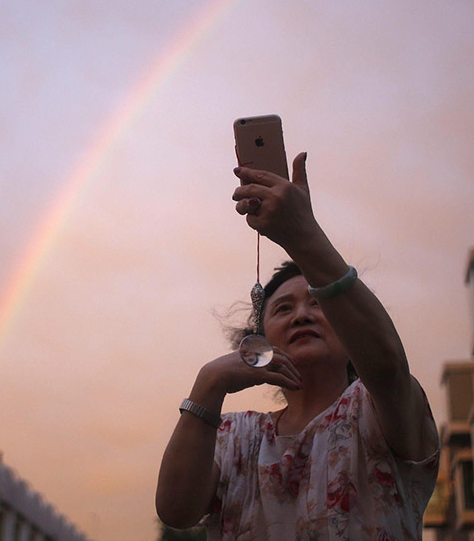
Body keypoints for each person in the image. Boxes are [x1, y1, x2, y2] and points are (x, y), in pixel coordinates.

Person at [156, 153, 439, 539]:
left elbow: (387, 363)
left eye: (318, 302)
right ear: (260, 336)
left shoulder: (375, 409)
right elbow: (176, 511)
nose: (301, 315)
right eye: (284, 308)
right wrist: (208, 383)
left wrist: (302, 235)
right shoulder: (234, 437)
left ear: (349, 323)